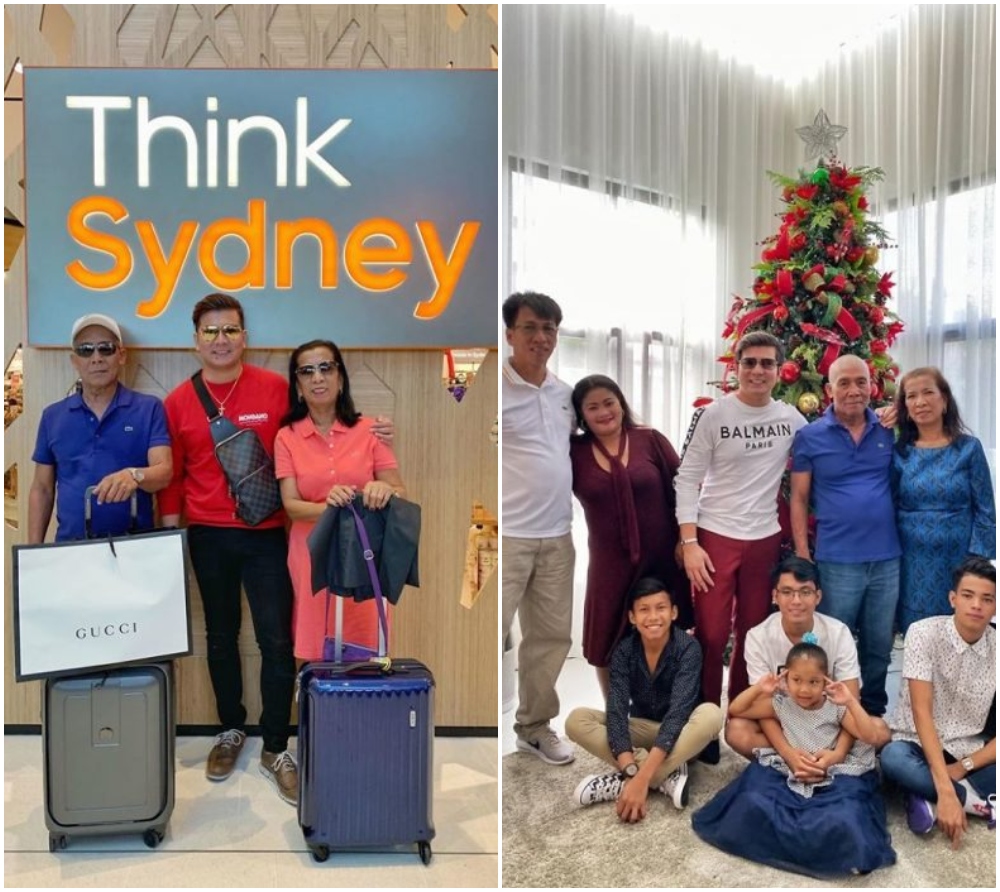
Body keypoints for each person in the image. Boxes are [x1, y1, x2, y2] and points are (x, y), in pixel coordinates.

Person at [674, 330, 807, 760]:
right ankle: (707, 724)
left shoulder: (790, 419)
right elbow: (687, 478)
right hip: (715, 536)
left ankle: (739, 718)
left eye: (767, 363)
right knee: (712, 635)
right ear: (737, 366)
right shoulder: (715, 415)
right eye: (749, 362)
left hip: (764, 539)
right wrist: (689, 542)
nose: (757, 370)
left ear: (779, 371)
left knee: (752, 636)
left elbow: (830, 438)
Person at [692, 644, 895, 879]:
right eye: (796, 680)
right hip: (787, 771)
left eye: (813, 682)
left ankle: (841, 851)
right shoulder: (781, 704)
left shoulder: (835, 708)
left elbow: (870, 735)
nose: (804, 689)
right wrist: (759, 688)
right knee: (750, 801)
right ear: (786, 678)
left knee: (846, 816)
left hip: (831, 773)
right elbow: (737, 709)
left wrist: (850, 702)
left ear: (825, 682)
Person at [273, 339, 405, 661]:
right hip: (311, 550)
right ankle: (321, 706)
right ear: (298, 386)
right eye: (307, 371)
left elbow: (399, 491)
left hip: (364, 550)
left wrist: (381, 490)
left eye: (325, 368)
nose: (317, 377)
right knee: (316, 645)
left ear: (340, 378)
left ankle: (360, 710)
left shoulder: (370, 430)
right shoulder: (287, 436)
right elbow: (290, 505)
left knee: (364, 644)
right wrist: (332, 510)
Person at [790, 354, 899, 717]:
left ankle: (873, 713)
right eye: (844, 383)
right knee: (833, 645)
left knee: (879, 646)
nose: (854, 390)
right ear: (828, 390)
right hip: (836, 561)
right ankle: (829, 717)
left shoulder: (888, 428)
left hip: (887, 558)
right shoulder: (809, 436)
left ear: (872, 385)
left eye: (861, 382)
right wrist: (803, 554)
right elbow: (800, 499)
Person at [565, 578, 724, 821]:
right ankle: (663, 777)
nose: (653, 617)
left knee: (712, 714)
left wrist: (639, 779)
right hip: (644, 729)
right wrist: (630, 766)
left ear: (673, 612)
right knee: (577, 720)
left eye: (660, 608)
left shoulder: (688, 648)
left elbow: (678, 714)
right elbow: (617, 712)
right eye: (644, 610)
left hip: (683, 735)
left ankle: (631, 781)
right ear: (632, 617)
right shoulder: (624, 651)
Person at [570, 374, 688, 700]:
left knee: (666, 628)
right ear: (582, 415)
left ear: (621, 404)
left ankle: (667, 705)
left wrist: (684, 540)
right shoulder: (574, 451)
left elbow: (684, 489)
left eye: (609, 403)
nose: (603, 412)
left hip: (662, 556)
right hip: (609, 561)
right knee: (606, 634)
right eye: (593, 407)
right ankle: (615, 710)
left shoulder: (649, 439)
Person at [501, 291, 577, 766]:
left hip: (557, 535)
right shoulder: (488, 384)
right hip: (500, 535)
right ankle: (467, 717)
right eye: (530, 327)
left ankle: (533, 727)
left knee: (549, 638)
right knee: (483, 632)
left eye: (549, 328)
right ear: (510, 333)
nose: (541, 337)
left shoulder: (565, 393)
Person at [727, 556, 890, 764]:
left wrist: (838, 754)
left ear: (818, 596)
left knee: (880, 730)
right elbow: (762, 707)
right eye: (787, 592)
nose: (796, 601)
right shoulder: (758, 636)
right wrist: (788, 753)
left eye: (805, 592)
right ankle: (797, 760)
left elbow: (851, 700)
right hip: (785, 721)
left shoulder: (838, 632)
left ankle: (827, 757)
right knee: (737, 731)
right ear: (775, 596)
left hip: (830, 720)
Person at [881, 557, 996, 847]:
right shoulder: (922, 633)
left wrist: (960, 768)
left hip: (965, 750)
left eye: (987, 599)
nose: (976, 606)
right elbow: (921, 713)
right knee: (892, 758)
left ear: (995, 606)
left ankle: (922, 794)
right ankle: (974, 803)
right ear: (952, 598)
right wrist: (946, 790)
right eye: (968, 596)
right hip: (916, 744)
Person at [28, 313, 172, 543]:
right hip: (70, 549)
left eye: (106, 348)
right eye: (86, 350)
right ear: (74, 360)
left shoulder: (149, 408)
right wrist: (31, 553)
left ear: (121, 355)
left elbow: (164, 472)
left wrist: (134, 475)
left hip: (136, 549)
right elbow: (42, 489)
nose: (96, 358)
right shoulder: (52, 416)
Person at [892, 367, 996, 634]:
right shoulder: (899, 453)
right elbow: (889, 506)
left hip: (960, 559)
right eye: (911, 396)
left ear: (945, 399)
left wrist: (978, 563)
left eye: (928, 392)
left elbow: (985, 509)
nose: (920, 402)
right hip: (912, 561)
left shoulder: (969, 448)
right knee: (919, 637)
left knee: (960, 636)